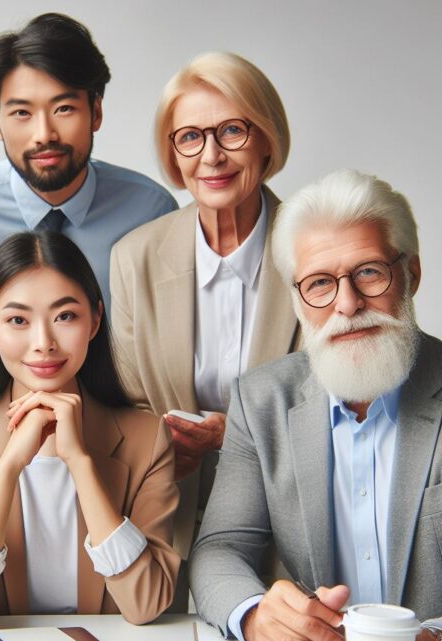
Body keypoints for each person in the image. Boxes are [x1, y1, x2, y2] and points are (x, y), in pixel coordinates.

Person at [189, 169, 442, 641]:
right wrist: (257, 617)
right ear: (299, 297)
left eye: (369, 273)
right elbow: (219, 551)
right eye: (321, 283)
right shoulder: (260, 400)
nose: (347, 306)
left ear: (412, 274)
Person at [0, 231, 180, 630]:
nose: (43, 343)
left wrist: (80, 462)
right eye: (17, 320)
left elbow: (147, 603)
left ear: (95, 320)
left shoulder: (147, 438)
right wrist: (8, 467)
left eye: (65, 316)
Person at [110, 52, 298, 593]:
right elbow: (129, 402)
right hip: (167, 520)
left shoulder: (312, 246)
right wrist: (163, 440)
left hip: (291, 529)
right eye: (189, 137)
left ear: (266, 139)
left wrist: (232, 434)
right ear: (174, 155)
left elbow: (338, 401)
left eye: (232, 131)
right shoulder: (135, 257)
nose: (211, 156)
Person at [0, 13, 177, 338]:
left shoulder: (151, 212)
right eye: (21, 113)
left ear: (96, 112)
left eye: (64, 109)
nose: (44, 134)